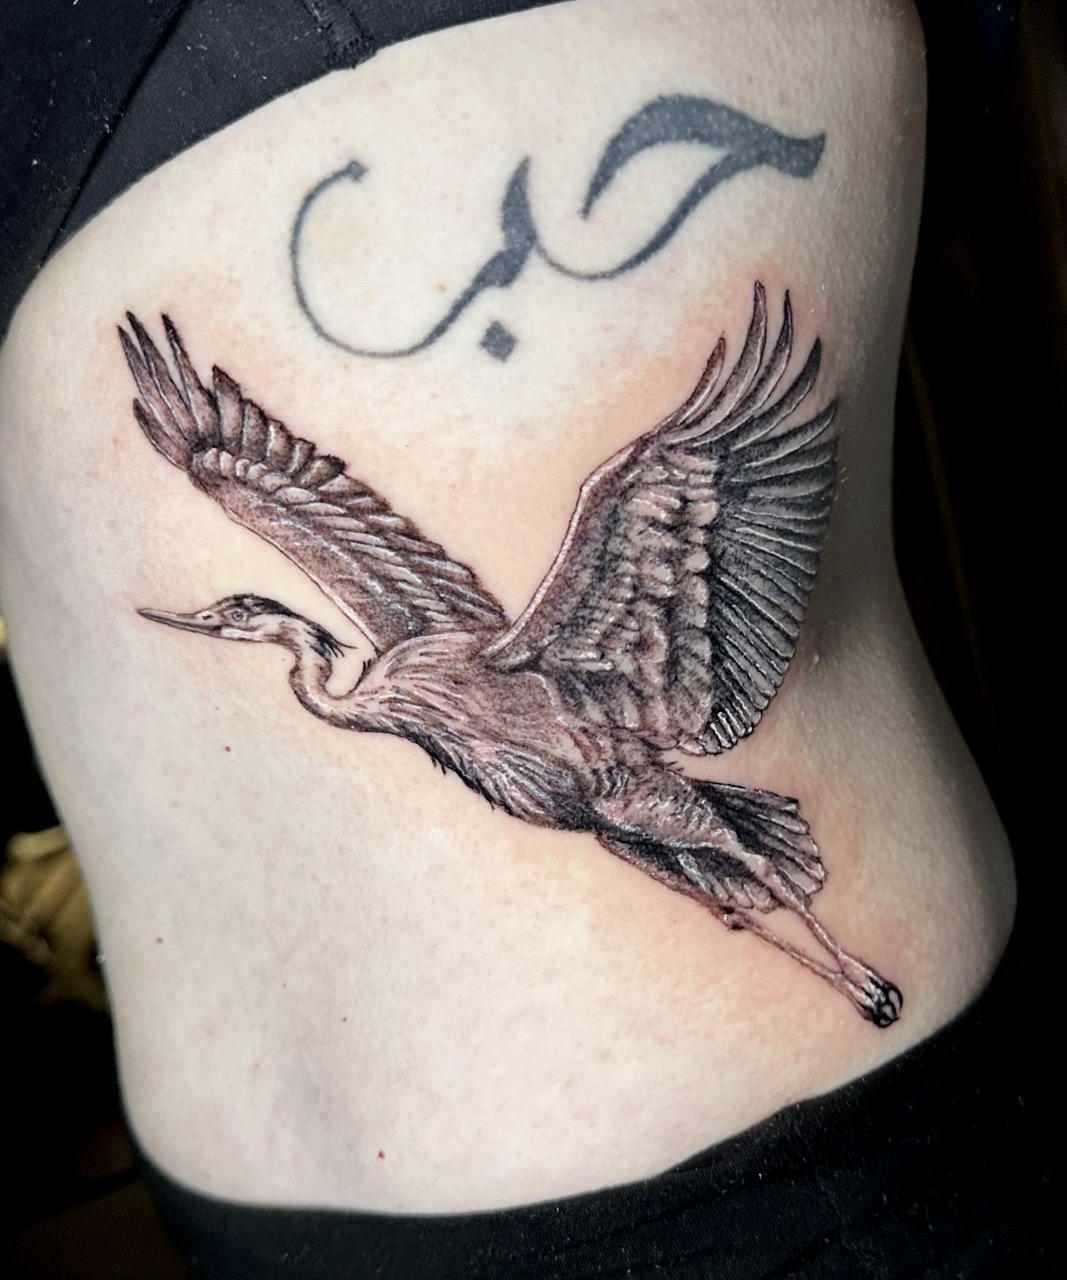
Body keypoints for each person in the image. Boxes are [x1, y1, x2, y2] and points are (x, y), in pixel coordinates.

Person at [0, 2, 1051, 1275]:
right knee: (225, 468)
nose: (237, 623)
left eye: (240, 616)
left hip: (757, 1213)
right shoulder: (391, 658)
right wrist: (220, 468)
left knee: (712, 809)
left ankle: (834, 959)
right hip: (247, 1224)